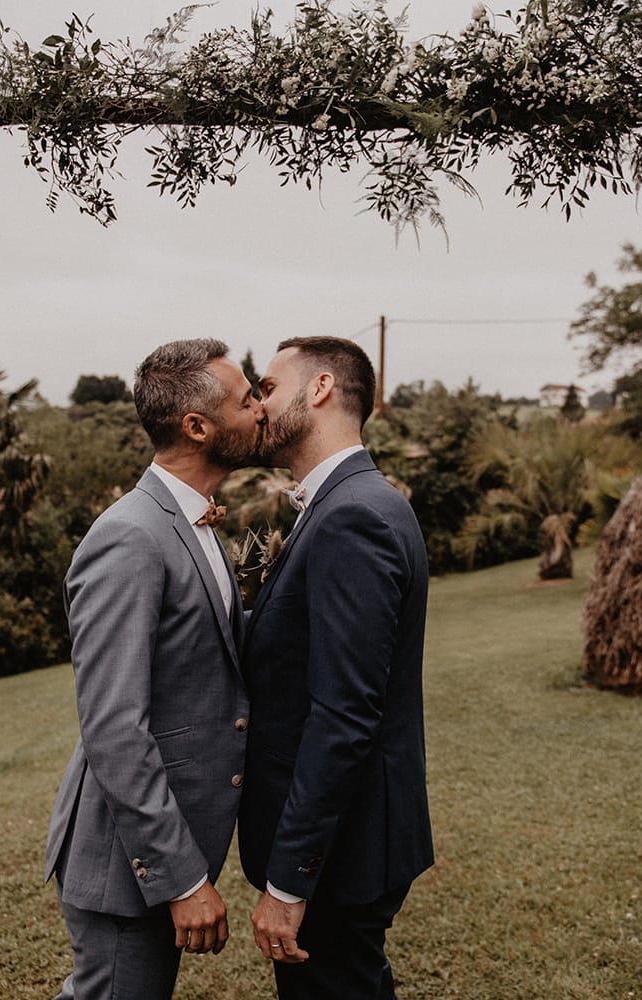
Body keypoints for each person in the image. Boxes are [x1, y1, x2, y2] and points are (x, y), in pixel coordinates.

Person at [44, 338, 264, 1000]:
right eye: (247, 398)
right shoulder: (130, 536)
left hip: (150, 860)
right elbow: (114, 726)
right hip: (125, 866)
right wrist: (181, 878)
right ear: (197, 426)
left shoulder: (192, 522)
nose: (261, 410)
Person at [238, 336, 434, 999]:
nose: (257, 407)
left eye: (266, 388)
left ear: (319, 389)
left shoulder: (353, 517)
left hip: (339, 855)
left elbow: (344, 714)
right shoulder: (352, 503)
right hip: (354, 840)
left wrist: (291, 879)